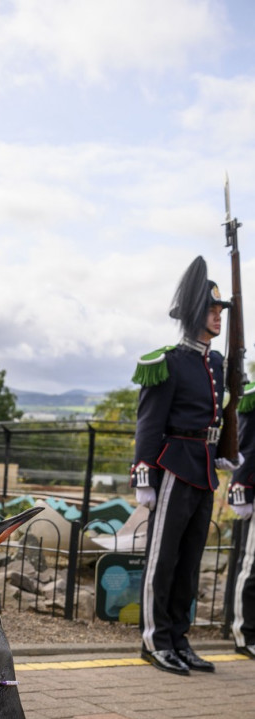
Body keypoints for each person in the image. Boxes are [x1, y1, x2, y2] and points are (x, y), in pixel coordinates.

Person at [130, 255, 233, 676]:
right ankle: (155, 640)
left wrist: (225, 449)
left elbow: (221, 412)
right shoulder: (167, 361)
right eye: (211, 310)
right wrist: (144, 476)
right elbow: (149, 424)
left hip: (205, 467)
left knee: (189, 561)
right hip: (174, 466)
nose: (218, 316)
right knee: (164, 558)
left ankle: (179, 638)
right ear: (194, 314)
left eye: (221, 311)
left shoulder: (217, 362)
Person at [228, 382, 255, 657]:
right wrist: (242, 490)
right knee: (252, 566)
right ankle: (244, 633)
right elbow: (244, 446)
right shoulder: (252, 397)